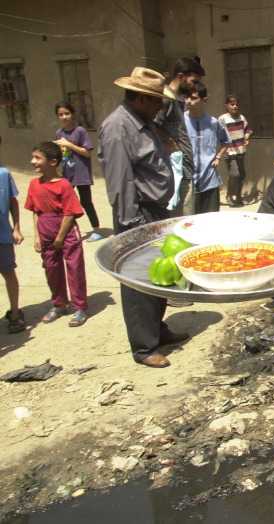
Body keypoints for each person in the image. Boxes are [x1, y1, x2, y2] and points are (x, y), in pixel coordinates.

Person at [98, 66, 189, 368]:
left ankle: (157, 330)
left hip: (157, 212)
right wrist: (132, 226)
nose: (160, 105)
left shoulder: (143, 121)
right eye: (154, 100)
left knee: (160, 272)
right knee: (137, 278)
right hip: (138, 213)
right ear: (138, 98)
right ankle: (143, 346)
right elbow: (120, 181)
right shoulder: (118, 128)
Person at [24, 142, 88, 327]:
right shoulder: (34, 184)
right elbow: (35, 211)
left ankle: (79, 307)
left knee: (74, 268)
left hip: (65, 231)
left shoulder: (64, 185)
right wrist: (37, 236)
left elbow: (69, 213)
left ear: (53, 162)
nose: (32, 161)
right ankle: (59, 304)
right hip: (45, 229)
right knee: (51, 268)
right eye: (33, 157)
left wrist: (59, 238)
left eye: (37, 158)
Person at [154, 57, 205, 217]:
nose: (196, 86)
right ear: (181, 77)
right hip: (177, 172)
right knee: (182, 224)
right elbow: (152, 125)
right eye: (194, 81)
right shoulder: (166, 98)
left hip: (184, 170)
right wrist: (169, 142)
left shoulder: (176, 100)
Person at [54, 102, 104, 242]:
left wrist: (69, 144)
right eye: (61, 114)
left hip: (81, 172)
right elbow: (61, 154)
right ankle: (66, 231)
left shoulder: (80, 131)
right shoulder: (59, 133)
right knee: (65, 203)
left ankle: (97, 230)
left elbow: (87, 153)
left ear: (73, 114)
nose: (64, 117)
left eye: (67, 113)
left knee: (86, 202)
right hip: (67, 173)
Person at [184, 83, 230, 214]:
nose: (188, 101)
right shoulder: (181, 121)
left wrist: (218, 156)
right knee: (189, 224)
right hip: (188, 182)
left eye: (193, 98)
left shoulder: (213, 123)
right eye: (187, 98)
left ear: (204, 100)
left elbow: (226, 141)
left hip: (209, 181)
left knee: (210, 222)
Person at [0, 135, 26, 334]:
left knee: (9, 273)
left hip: (2, 236)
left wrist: (16, 227)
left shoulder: (4, 174)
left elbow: (12, 201)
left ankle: (15, 311)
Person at [218, 94, 252, 208]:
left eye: (236, 104)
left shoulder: (241, 118)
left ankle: (238, 197)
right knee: (234, 174)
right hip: (229, 151)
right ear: (226, 105)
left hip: (241, 149)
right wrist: (222, 146)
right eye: (232, 104)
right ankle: (229, 195)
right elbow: (218, 133)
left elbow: (248, 128)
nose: (235, 107)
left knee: (242, 174)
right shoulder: (223, 119)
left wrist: (247, 135)